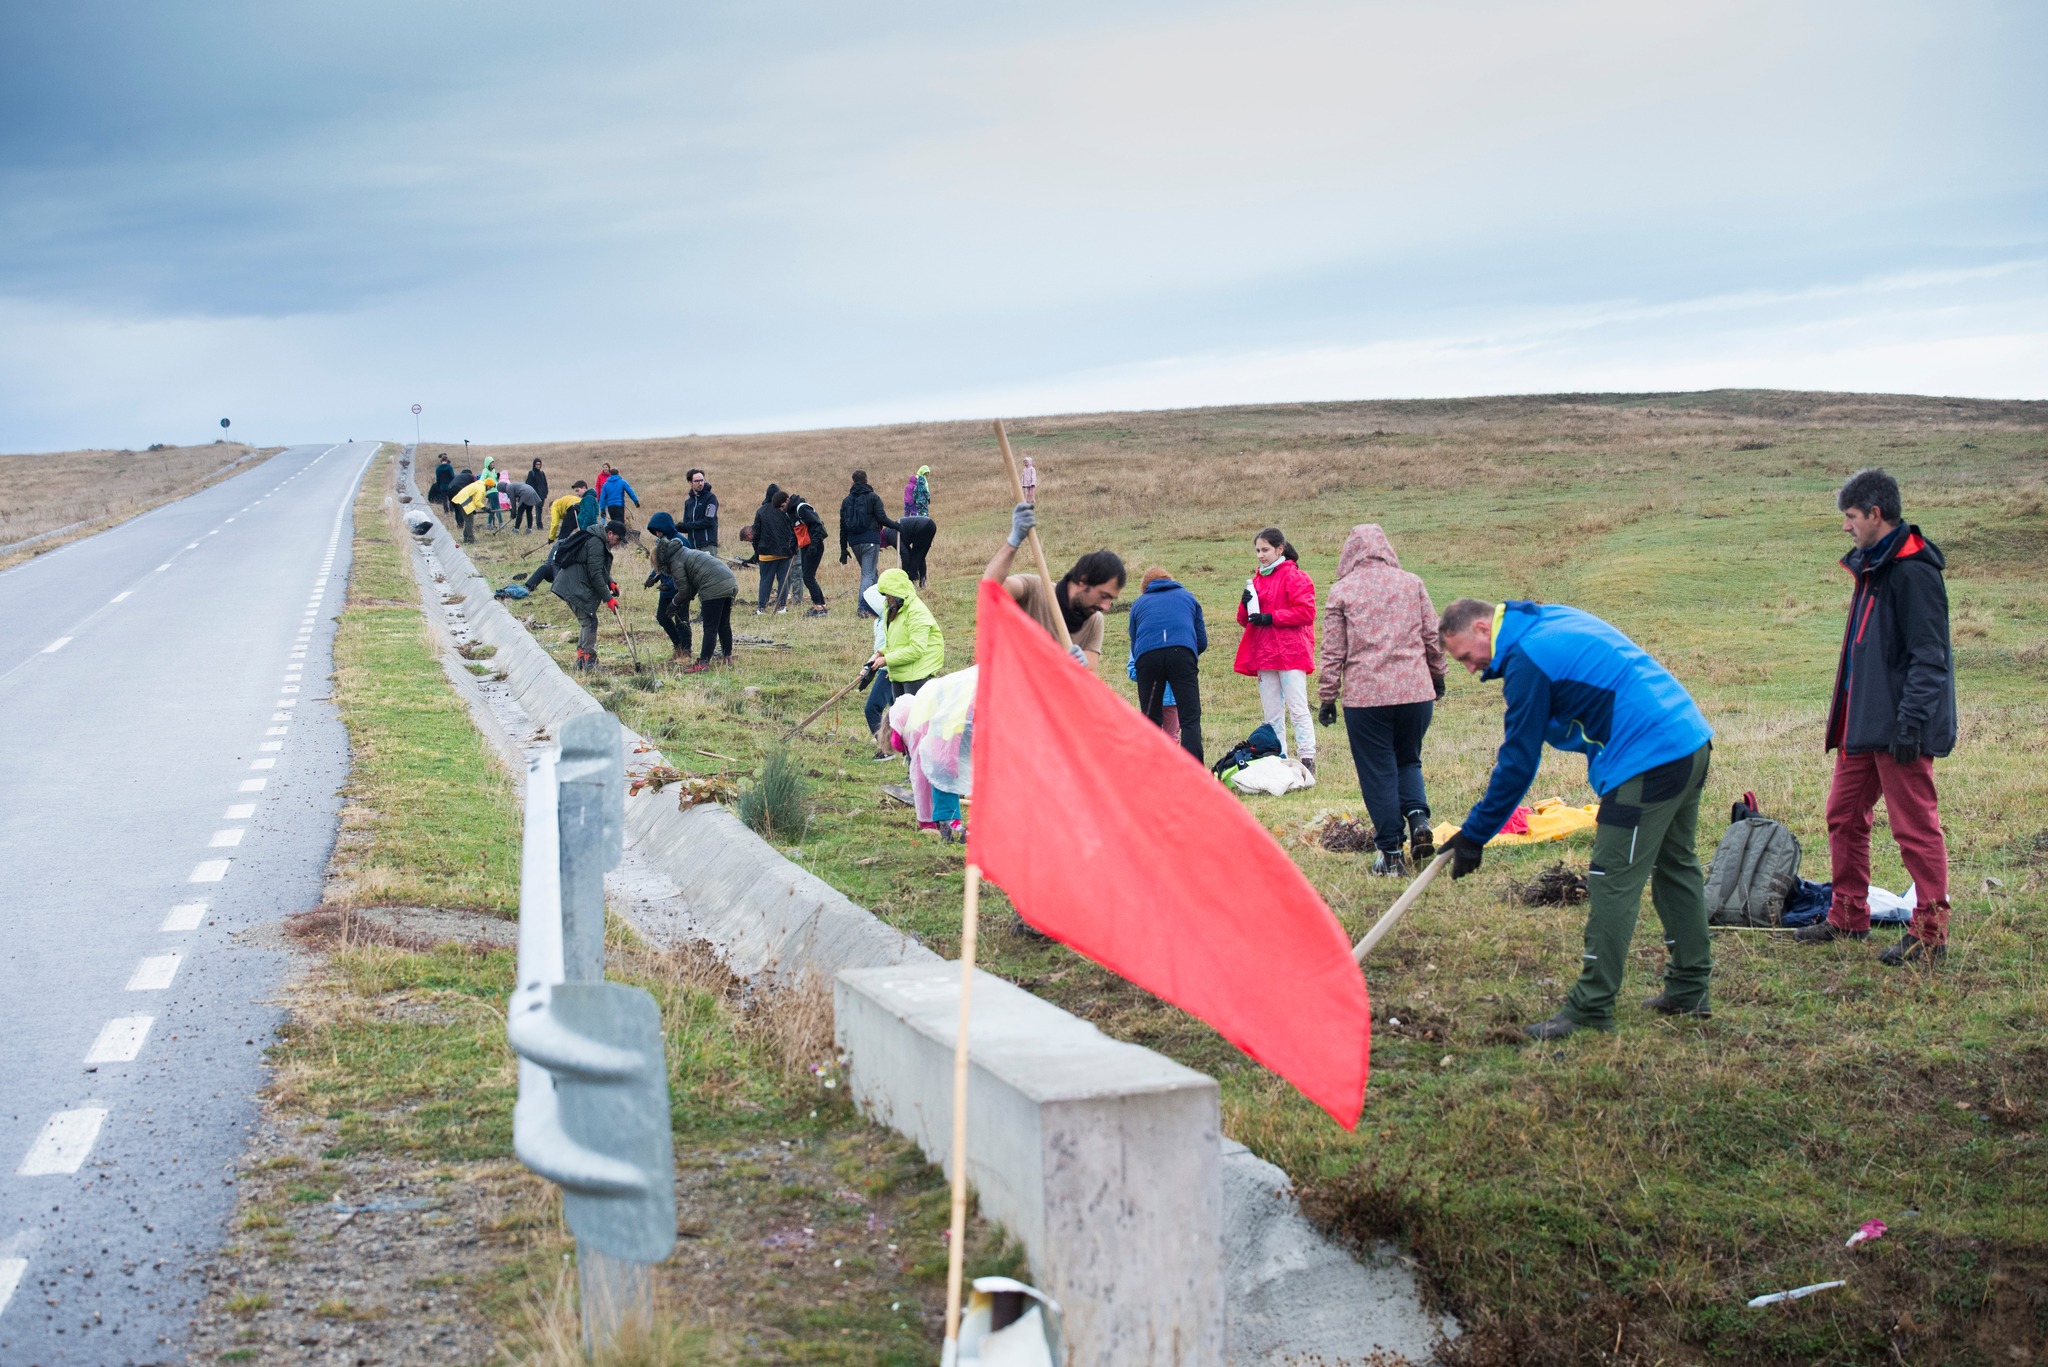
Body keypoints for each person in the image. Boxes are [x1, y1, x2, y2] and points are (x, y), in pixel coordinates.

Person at [1439, 597, 1715, 1040]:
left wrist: (1475, 834)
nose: (1471, 669)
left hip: (1649, 757)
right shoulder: (1544, 620)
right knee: (1675, 865)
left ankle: (1591, 1006)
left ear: (1479, 627)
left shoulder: (1527, 659)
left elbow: (1518, 762)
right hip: (1687, 738)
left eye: (1466, 657)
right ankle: (1689, 990)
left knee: (1611, 879)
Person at [1794, 468, 1956, 965]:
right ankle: (1847, 916)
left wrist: (1910, 724)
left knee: (1914, 828)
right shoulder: (1873, 565)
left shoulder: (1913, 571)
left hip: (1900, 727)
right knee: (1842, 815)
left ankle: (1930, 934)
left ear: (1875, 514)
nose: (1846, 527)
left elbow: (1930, 658)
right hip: (1863, 723)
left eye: (1850, 516)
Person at [1316, 525, 1447, 877]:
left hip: (1367, 698)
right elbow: (1431, 635)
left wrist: (1328, 696)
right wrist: (1437, 675)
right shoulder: (1412, 583)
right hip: (1415, 692)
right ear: (1386, 549)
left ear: (1349, 554)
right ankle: (1418, 819)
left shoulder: (1341, 592)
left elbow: (1333, 651)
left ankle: (1390, 853)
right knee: (1408, 759)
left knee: (1378, 772)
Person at [981, 504, 1121, 668]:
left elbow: (1090, 675)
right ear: (1083, 581)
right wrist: (1012, 543)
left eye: (1111, 599)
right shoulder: (1034, 589)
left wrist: (1079, 670)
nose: (1106, 606)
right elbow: (990, 589)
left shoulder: (1094, 621)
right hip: (1010, 686)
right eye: (1103, 596)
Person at [1235, 527, 1318, 773]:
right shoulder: (1258, 579)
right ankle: (1280, 756)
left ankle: (1307, 758)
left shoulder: (1295, 577)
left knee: (1297, 707)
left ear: (1279, 549)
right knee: (1271, 713)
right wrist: (1245, 604)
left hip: (1291, 652)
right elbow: (1245, 620)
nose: (1260, 555)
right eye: (1258, 550)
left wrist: (1271, 617)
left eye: (1265, 550)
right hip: (1265, 653)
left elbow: (1306, 612)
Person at [1127, 567, 1207, 763]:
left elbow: (1135, 642)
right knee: (1190, 717)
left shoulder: (1139, 604)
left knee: (1151, 718)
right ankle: (1194, 770)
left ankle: (1154, 768)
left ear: (1144, 587)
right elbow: (1202, 641)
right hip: (1182, 654)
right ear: (1171, 580)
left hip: (1148, 657)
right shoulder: (1188, 597)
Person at [552, 521, 626, 671]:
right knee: (589, 621)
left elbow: (596, 567)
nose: (617, 544)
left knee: (588, 621)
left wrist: (610, 581)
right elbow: (595, 574)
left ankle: (581, 660)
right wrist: (608, 598)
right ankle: (588, 661)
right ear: (610, 533)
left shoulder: (597, 539)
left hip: (573, 584)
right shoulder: (596, 543)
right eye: (617, 539)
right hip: (573, 586)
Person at [869, 567, 944, 697]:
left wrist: (886, 660)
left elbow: (916, 649)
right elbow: (898, 640)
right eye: (884, 594)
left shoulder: (916, 612)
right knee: (900, 716)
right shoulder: (894, 609)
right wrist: (882, 652)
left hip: (917, 675)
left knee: (915, 717)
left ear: (897, 592)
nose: (886, 598)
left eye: (888, 594)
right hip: (900, 673)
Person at [839, 470, 900, 615]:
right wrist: (897, 526)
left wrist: (843, 548)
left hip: (854, 542)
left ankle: (880, 602)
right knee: (867, 574)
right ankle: (863, 607)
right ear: (866, 480)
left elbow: (843, 526)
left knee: (873, 572)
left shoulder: (846, 501)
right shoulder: (873, 497)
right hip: (870, 540)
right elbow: (882, 519)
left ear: (853, 481)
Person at [643, 512, 693, 661]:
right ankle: (677, 645)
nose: (657, 533)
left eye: (659, 529)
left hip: (681, 589)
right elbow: (660, 564)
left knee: (681, 619)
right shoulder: (660, 542)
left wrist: (669, 584)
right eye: (655, 531)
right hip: (666, 589)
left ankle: (686, 651)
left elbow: (683, 568)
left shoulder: (681, 542)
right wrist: (653, 577)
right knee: (662, 617)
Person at [751, 484, 797, 613]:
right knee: (783, 580)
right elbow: (792, 530)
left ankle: (761, 608)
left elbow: (756, 534)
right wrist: (792, 548)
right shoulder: (785, 510)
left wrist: (757, 551)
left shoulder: (761, 511)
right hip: (784, 553)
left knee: (765, 580)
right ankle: (782, 607)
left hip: (766, 553)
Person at [787, 491, 830, 616]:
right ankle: (822, 605)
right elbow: (795, 531)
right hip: (804, 546)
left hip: (813, 546)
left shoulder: (802, 508)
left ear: (786, 501)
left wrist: (814, 546)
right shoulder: (790, 514)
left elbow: (816, 525)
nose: (781, 509)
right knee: (809, 576)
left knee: (807, 576)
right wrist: (793, 546)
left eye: (782, 506)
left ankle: (818, 607)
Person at [682, 468, 720, 550]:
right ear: (690, 483)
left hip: (707, 545)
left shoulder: (711, 498)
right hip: (692, 547)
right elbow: (686, 525)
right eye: (697, 481)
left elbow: (708, 521)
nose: (700, 483)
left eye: (702, 480)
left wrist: (688, 525)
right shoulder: (688, 502)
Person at [449, 472, 491, 543]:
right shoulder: (481, 489)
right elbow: (477, 501)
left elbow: (473, 498)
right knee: (469, 521)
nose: (490, 489)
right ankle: (470, 539)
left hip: (460, 501)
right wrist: (485, 508)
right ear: (489, 486)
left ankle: (466, 538)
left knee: (468, 521)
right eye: (491, 487)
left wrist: (473, 509)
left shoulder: (478, 484)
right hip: (463, 503)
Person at [897, 514, 937, 588]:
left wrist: (905, 573)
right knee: (920, 556)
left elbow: (905, 555)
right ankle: (923, 582)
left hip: (923, 527)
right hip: (930, 524)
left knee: (915, 556)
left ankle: (912, 581)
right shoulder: (896, 529)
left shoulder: (892, 533)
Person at [598, 465, 640, 530]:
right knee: (620, 524)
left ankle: (615, 537)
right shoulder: (622, 482)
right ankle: (621, 537)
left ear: (610, 474)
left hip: (610, 507)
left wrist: (602, 509)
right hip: (619, 505)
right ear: (618, 474)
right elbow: (630, 492)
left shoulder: (606, 484)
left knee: (614, 523)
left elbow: (602, 498)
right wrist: (636, 501)